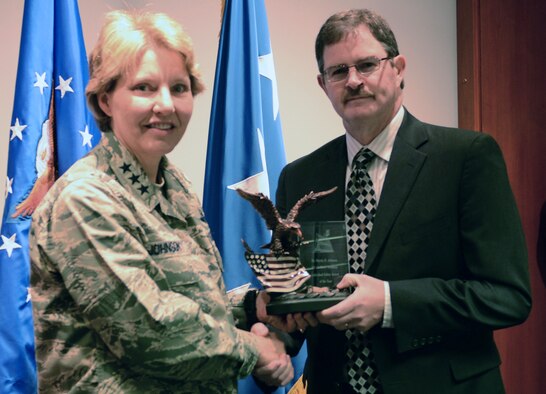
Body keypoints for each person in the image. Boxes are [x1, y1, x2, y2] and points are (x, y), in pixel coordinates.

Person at [257, 8, 531, 394]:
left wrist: (390, 302)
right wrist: (277, 342)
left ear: (398, 68)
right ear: (323, 84)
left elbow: (508, 297)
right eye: (338, 72)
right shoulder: (299, 178)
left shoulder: (466, 157)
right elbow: (297, 293)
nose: (353, 81)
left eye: (367, 65)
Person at [29, 10, 293, 393]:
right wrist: (255, 349)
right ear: (105, 99)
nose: (166, 104)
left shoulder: (174, 185)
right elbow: (148, 328)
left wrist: (255, 306)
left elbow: (189, 297)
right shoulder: (86, 198)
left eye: (179, 87)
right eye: (144, 88)